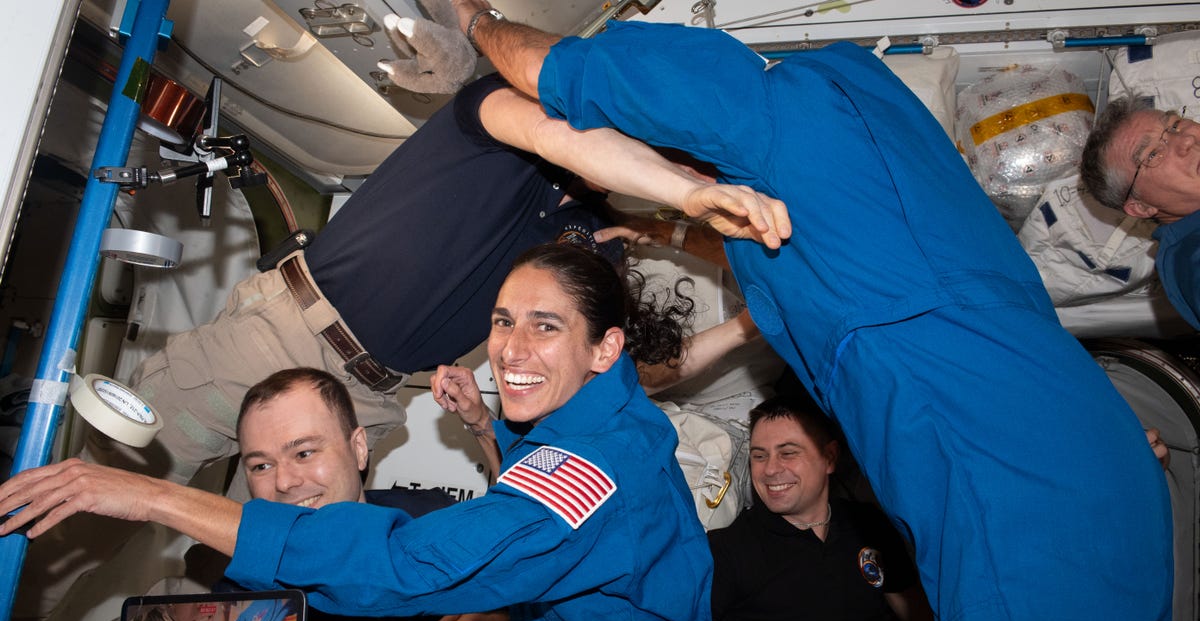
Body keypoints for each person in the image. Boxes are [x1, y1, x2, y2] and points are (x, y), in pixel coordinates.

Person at [456, 6, 1174, 621]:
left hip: (1013, 498)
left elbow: (551, 69)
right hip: (1092, 463)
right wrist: (669, 227)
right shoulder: (884, 134)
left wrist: (473, 20)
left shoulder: (762, 113)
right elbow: (785, 250)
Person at [0, 243, 715, 621]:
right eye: (502, 321)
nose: (511, 348)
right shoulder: (597, 426)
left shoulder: (596, 463)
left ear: (607, 348)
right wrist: (488, 430)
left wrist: (148, 495)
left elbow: (413, 565)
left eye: (545, 326)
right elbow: (544, 533)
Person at [96, 68, 789, 486]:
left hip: (367, 405)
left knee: (275, 593)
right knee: (98, 493)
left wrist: (739, 326)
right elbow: (562, 139)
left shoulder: (592, 246)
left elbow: (633, 368)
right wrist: (678, 193)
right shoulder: (508, 121)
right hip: (280, 341)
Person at [10, 367, 515, 621]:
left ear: (358, 448)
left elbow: (554, 588)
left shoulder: (430, 519)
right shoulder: (238, 588)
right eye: (261, 465)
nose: (287, 482)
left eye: (304, 452)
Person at [708, 395, 936, 621]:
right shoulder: (727, 551)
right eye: (759, 456)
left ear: (829, 458)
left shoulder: (867, 524)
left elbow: (918, 618)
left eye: (788, 453)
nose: (770, 469)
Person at [1080, 98, 1200, 329]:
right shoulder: (1192, 258)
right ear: (1142, 207)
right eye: (1153, 154)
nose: (1187, 140)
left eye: (1174, 125)